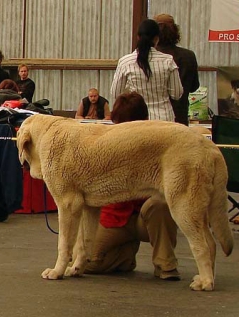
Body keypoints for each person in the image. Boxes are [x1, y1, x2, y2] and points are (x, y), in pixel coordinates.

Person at [81, 91, 180, 280]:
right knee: (86, 263)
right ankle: (124, 257)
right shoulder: (107, 145)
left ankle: (166, 265)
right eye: (119, 125)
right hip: (116, 216)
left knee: (160, 204)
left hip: (148, 214)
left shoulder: (159, 145)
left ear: (144, 121)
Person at [110, 19, 183, 121]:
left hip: (135, 118)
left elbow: (116, 93)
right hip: (164, 118)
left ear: (138, 37)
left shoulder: (125, 61)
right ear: (157, 39)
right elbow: (177, 94)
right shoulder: (168, 60)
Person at [154, 13, 200, 126]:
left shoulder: (146, 57)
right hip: (179, 116)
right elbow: (194, 87)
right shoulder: (188, 56)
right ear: (175, 32)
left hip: (152, 118)